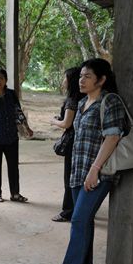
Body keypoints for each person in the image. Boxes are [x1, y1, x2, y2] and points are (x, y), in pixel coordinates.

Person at [50, 58, 127, 264]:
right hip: (78, 172)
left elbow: (112, 138)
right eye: (81, 76)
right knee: (85, 223)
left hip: (98, 173)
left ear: (102, 80)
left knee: (79, 220)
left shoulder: (110, 101)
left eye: (88, 76)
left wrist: (94, 170)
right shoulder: (83, 102)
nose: (81, 80)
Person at [0, 68, 33, 203]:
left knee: (13, 167)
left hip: (11, 137)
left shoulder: (11, 94)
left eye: (0, 79)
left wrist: (26, 127)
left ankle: (15, 193)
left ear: (6, 81)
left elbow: (18, 112)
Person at [49, 67, 85, 222]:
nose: (63, 81)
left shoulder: (72, 100)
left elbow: (67, 123)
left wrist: (53, 121)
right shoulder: (83, 98)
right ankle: (80, 207)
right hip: (81, 142)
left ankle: (68, 211)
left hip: (72, 143)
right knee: (79, 177)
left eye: (65, 78)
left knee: (69, 178)